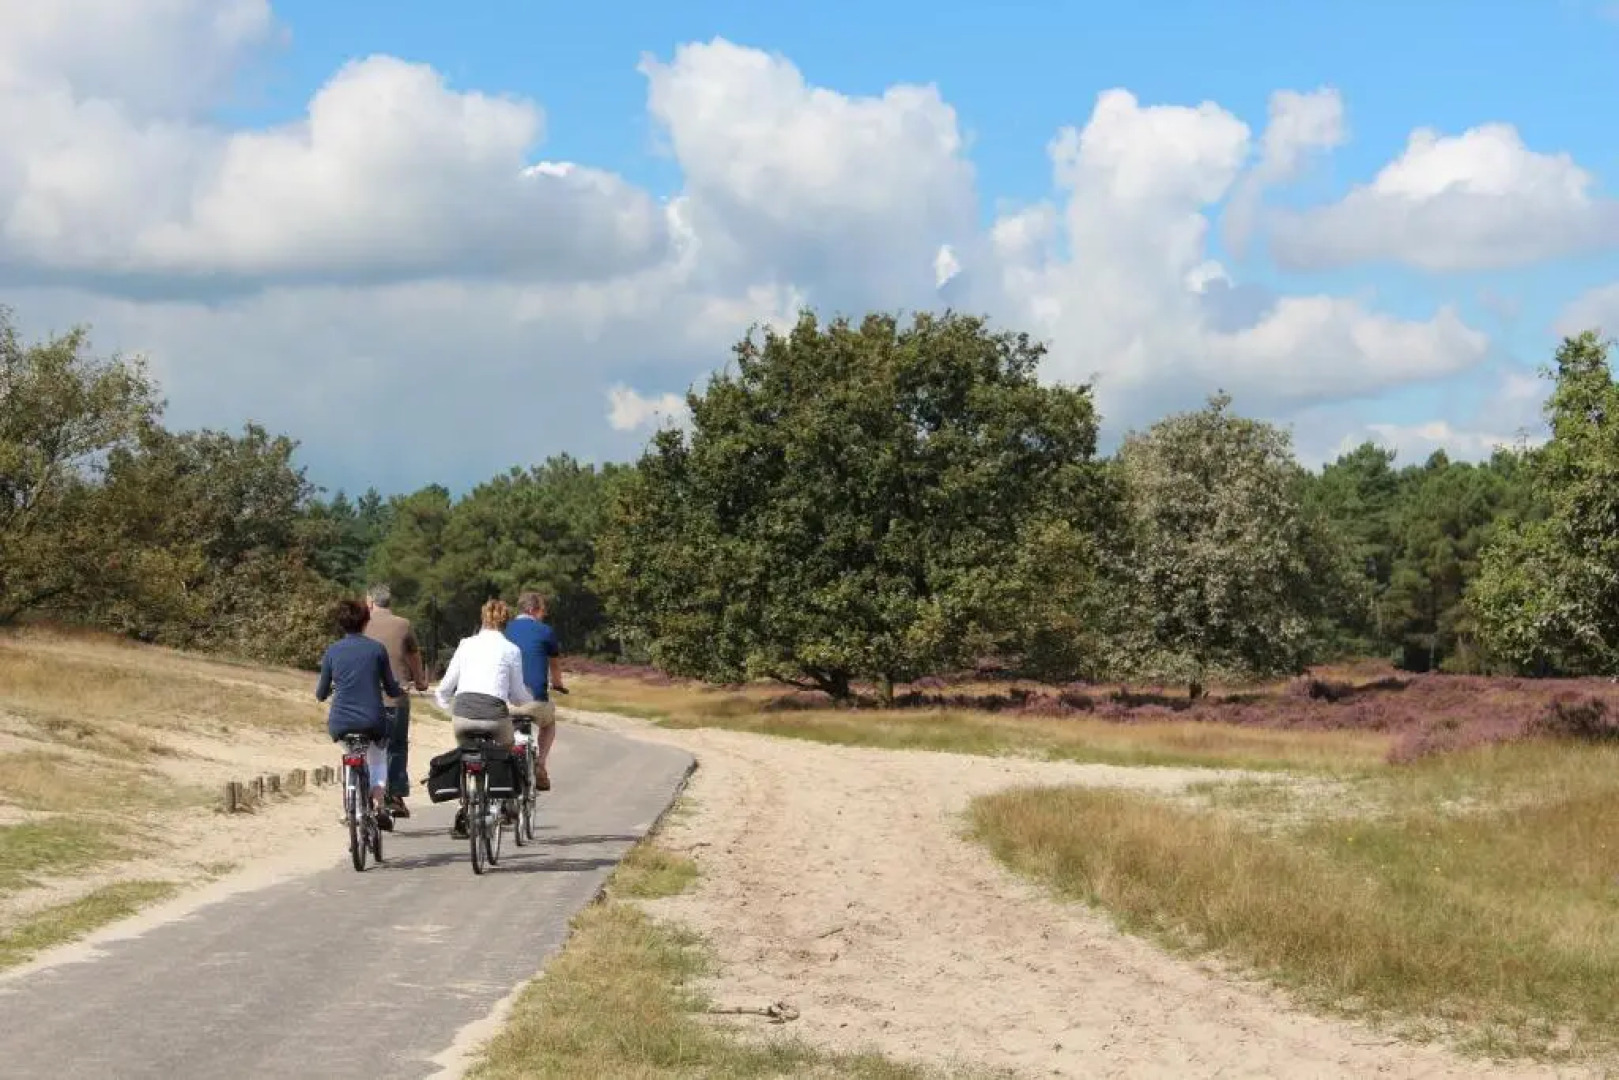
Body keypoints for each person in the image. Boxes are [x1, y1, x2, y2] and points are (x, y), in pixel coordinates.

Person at [434, 598, 548, 836]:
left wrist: (448, 709)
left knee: (467, 755)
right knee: (508, 749)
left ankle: (463, 808)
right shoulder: (511, 650)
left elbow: (444, 688)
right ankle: (505, 802)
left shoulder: (465, 644)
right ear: (506, 622)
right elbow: (517, 695)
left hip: (463, 715)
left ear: (482, 619)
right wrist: (525, 699)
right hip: (494, 716)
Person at [315, 598, 401, 831]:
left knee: (349, 754)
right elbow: (391, 689)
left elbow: (321, 692)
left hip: (341, 721)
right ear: (366, 621)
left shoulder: (332, 651)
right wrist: (398, 689)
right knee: (377, 758)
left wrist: (328, 692)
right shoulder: (376, 649)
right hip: (372, 719)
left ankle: (349, 805)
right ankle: (379, 802)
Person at [363, 583, 427, 818]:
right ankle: (396, 795)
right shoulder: (403, 624)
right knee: (397, 745)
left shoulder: (361, 624)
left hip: (365, 698)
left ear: (370, 601)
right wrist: (420, 680)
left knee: (368, 746)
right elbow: (413, 655)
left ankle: (365, 790)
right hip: (395, 697)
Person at [504, 591, 566, 791]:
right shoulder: (545, 631)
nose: (543, 616)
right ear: (532, 610)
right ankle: (540, 763)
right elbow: (555, 666)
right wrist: (558, 684)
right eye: (542, 611)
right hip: (535, 701)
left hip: (506, 701)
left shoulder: (503, 629)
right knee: (549, 723)